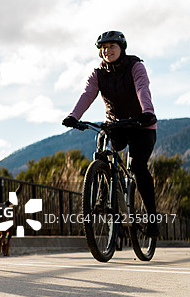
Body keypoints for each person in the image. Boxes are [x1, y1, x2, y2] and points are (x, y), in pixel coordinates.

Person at [62, 30, 159, 237]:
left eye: (112, 46)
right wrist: (74, 116)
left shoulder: (135, 66)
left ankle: (152, 219)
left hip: (141, 125)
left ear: (121, 48)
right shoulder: (98, 74)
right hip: (116, 124)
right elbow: (88, 94)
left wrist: (147, 112)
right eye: (104, 48)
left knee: (137, 166)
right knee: (102, 149)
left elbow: (143, 88)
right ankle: (102, 196)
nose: (107, 50)